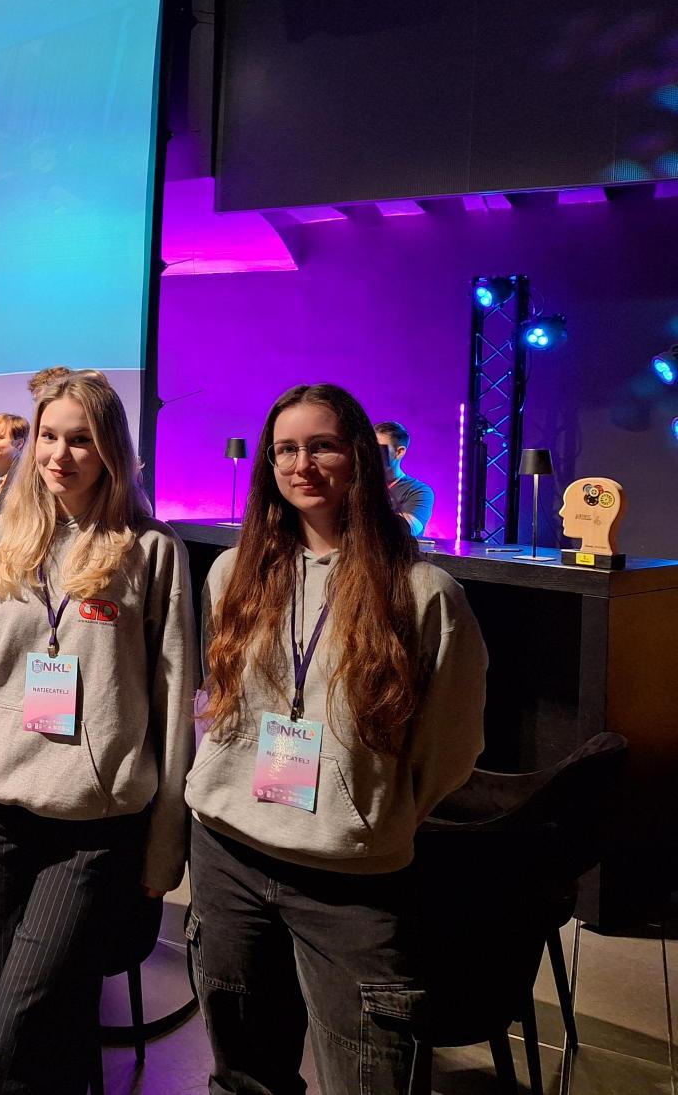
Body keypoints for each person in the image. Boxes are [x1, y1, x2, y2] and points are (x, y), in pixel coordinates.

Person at [186, 383, 488, 1095]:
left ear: (359, 456)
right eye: (286, 449)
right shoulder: (233, 573)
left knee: (366, 1080)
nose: (302, 465)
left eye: (321, 446)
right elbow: (219, 701)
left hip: (348, 877)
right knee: (244, 1076)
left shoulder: (422, 592)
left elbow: (448, 747)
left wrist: (368, 813)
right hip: (228, 852)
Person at [0, 370, 195, 1095]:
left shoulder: (151, 550)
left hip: (92, 822)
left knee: (26, 1012)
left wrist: (166, 841)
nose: (59, 455)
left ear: (112, 449)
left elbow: (172, 699)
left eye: (80, 440)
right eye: (49, 437)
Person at [376, 421, 434, 538]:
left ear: (399, 452)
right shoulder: (356, 484)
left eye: (379, 449)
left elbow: (404, 531)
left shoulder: (419, 491)